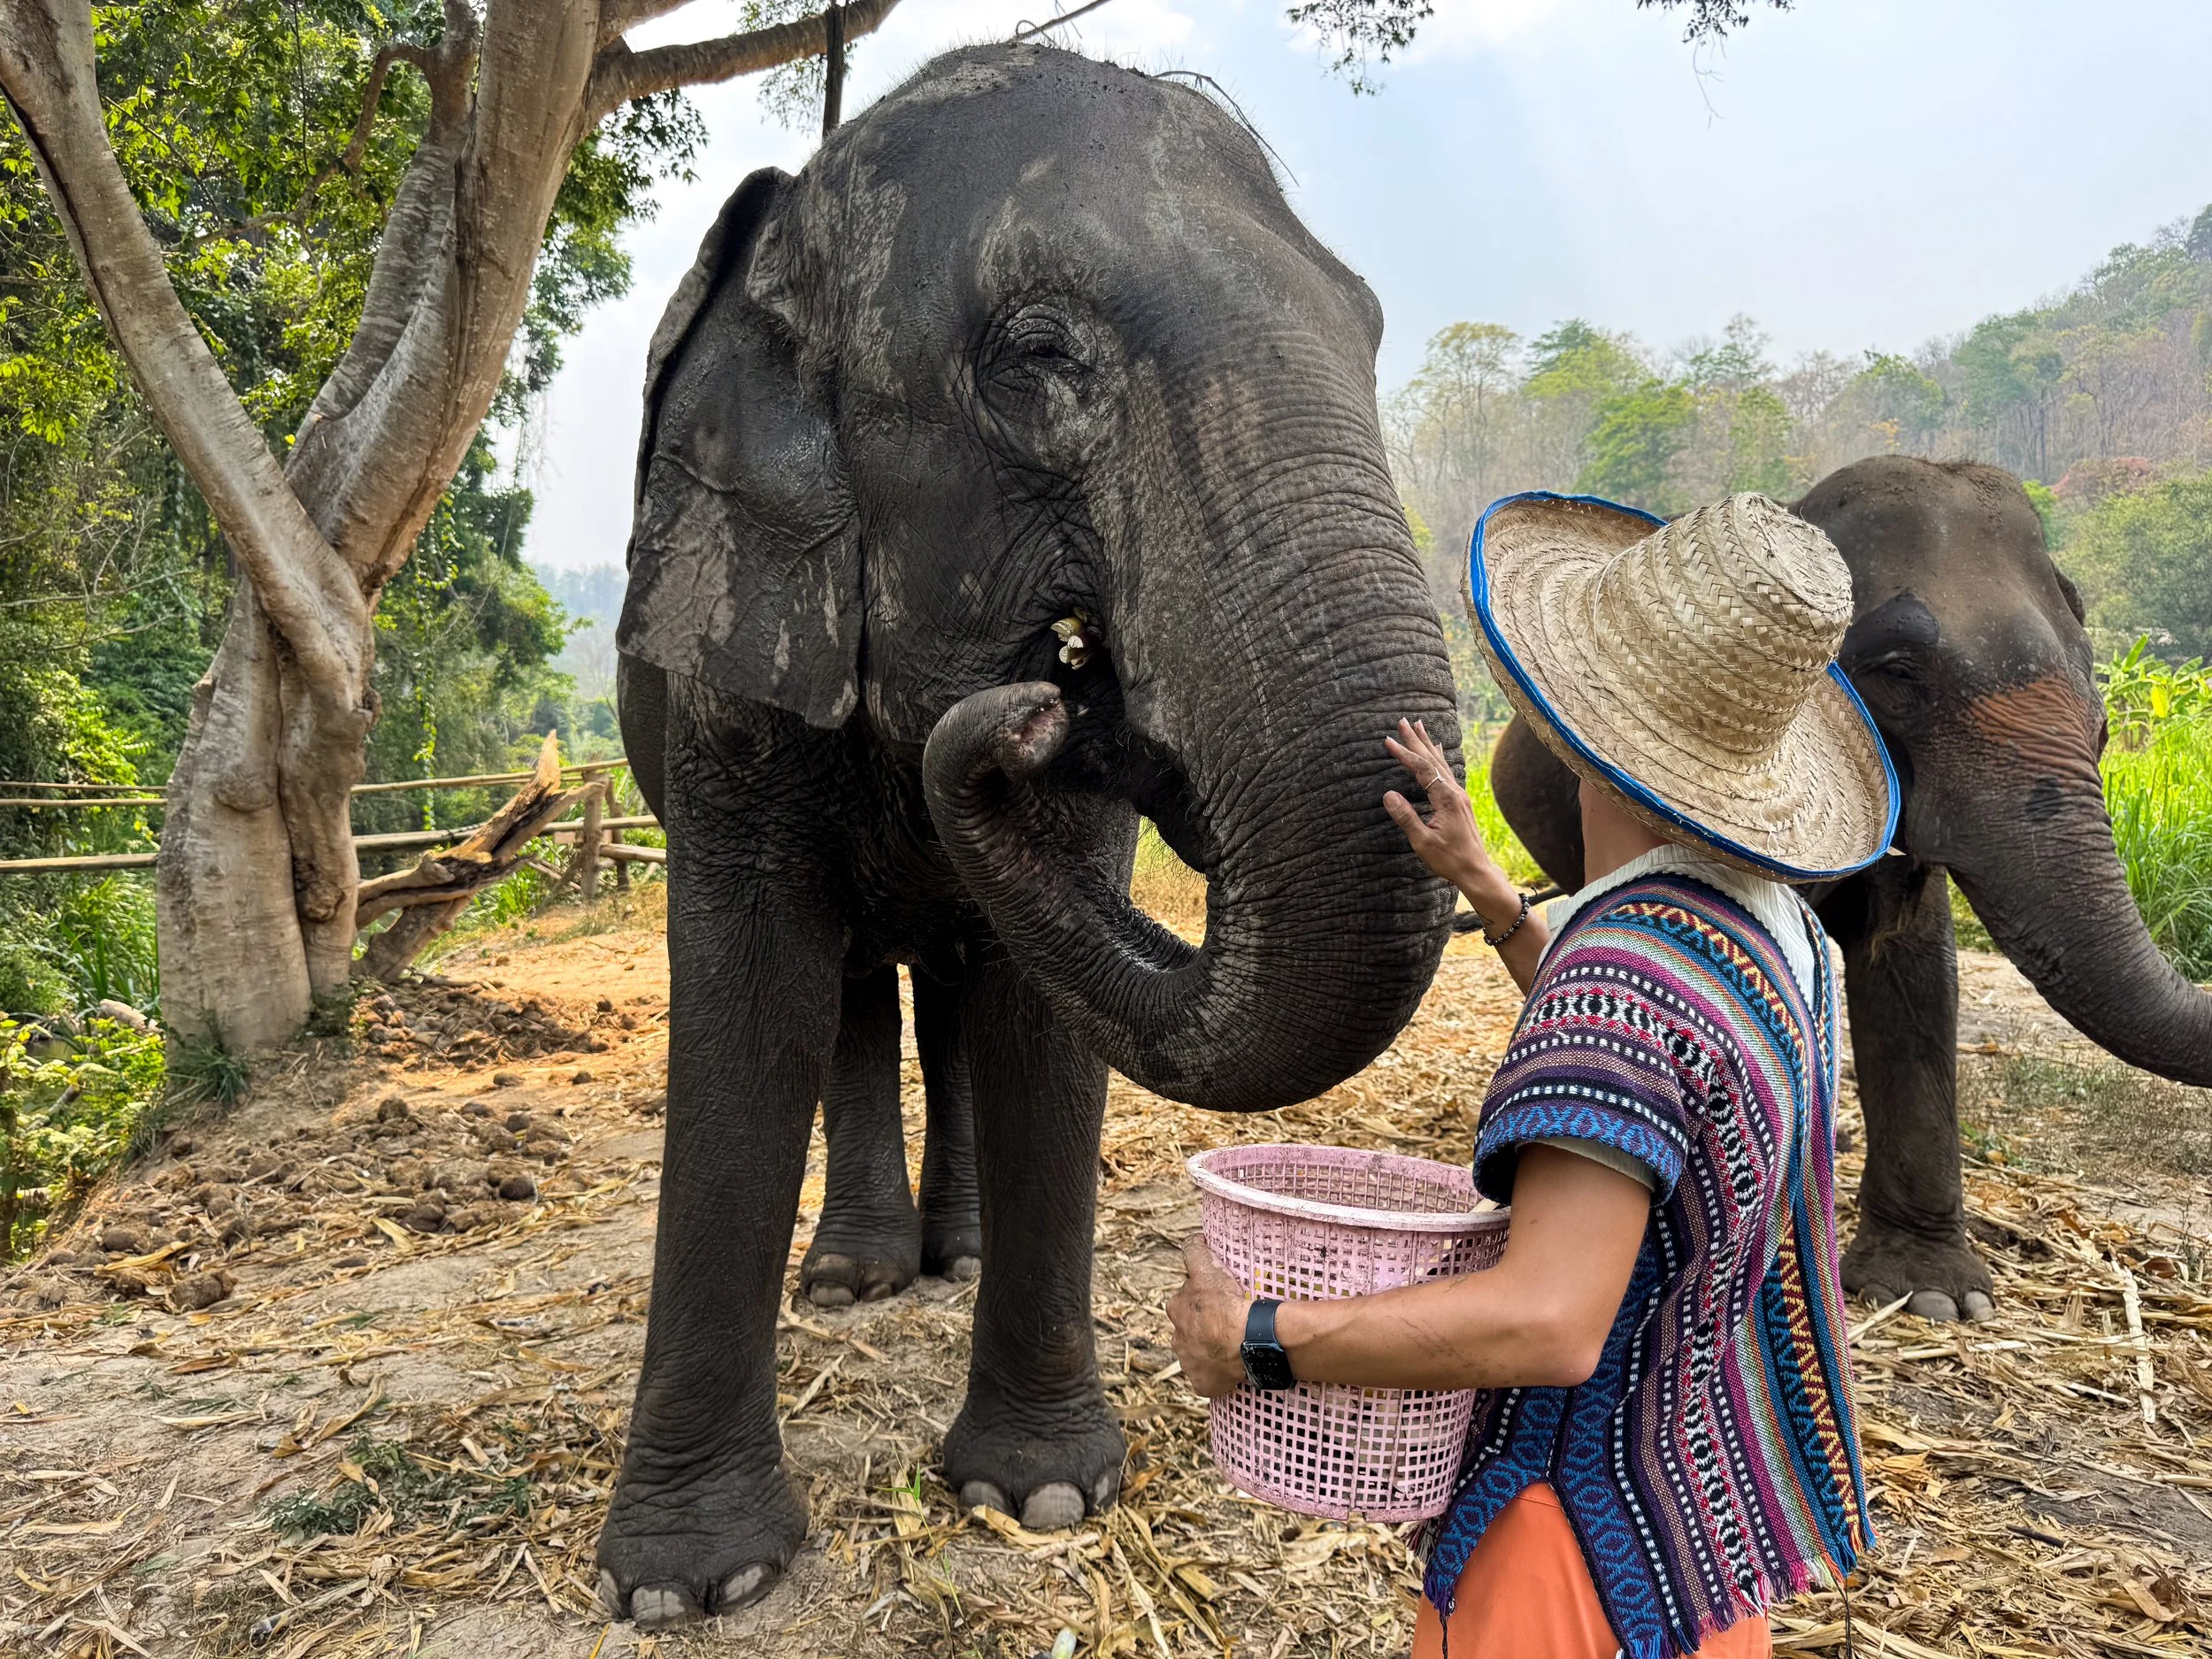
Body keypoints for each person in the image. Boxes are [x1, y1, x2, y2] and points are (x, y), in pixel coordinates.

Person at [1168, 491, 1896, 1659]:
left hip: (1564, 1556)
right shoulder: (1774, 939)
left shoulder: (1622, 977)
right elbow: (1660, 1073)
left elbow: (1552, 1320)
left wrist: (1258, 1336)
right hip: (1698, 1554)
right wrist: (1491, 888)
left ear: (1570, 726)